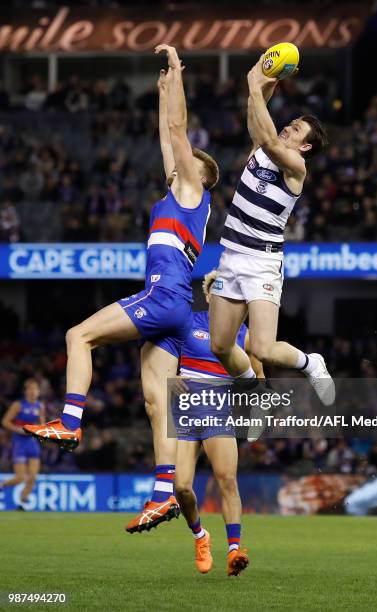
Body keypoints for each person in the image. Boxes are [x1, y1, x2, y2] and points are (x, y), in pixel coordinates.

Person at [24, 45, 219, 533]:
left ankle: (69, 421)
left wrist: (176, 77)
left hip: (164, 295)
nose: (175, 161)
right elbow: (165, 136)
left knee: (77, 336)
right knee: (157, 404)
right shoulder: (183, 195)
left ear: (199, 172)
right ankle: (161, 494)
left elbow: (177, 133)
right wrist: (160, 95)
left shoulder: (193, 186)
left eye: (185, 160)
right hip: (179, 309)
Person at [209, 58, 335, 405]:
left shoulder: (296, 166)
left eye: (296, 130)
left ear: (305, 146)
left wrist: (255, 83)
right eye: (291, 123)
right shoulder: (262, 149)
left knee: (262, 348)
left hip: (262, 263)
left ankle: (311, 363)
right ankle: (254, 389)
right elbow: (257, 114)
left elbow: (266, 135)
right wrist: (268, 78)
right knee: (220, 345)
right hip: (231, 256)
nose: (288, 128)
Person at [173, 270, 264, 576]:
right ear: (209, 295)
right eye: (218, 291)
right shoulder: (187, 322)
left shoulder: (242, 333)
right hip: (184, 411)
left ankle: (234, 549)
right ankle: (200, 536)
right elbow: (159, 358)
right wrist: (169, 381)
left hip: (216, 411)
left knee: (227, 480)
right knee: (181, 487)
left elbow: (259, 379)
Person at [1, 379, 44, 510]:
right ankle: (2, 485)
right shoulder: (18, 405)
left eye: (35, 388)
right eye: (30, 388)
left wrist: (38, 430)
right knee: (20, 478)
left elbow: (42, 425)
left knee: (33, 477)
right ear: (25, 391)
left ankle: (22, 502)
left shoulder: (40, 407)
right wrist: (19, 430)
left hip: (32, 443)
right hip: (19, 443)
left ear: (38, 391)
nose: (33, 391)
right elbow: (5, 422)